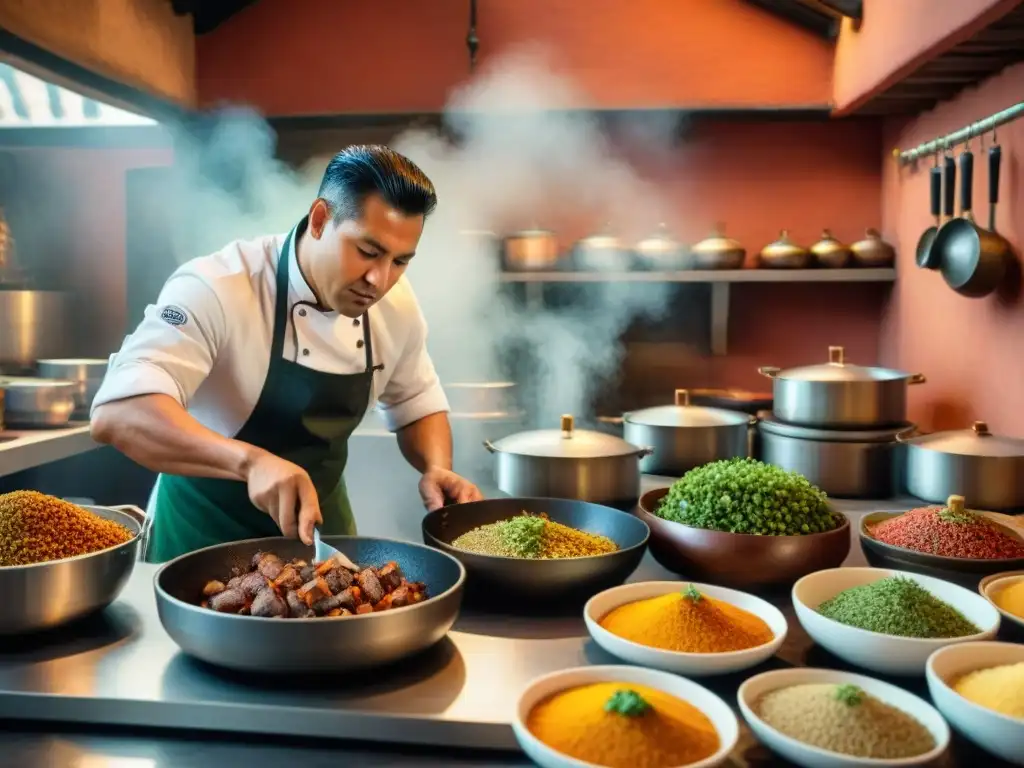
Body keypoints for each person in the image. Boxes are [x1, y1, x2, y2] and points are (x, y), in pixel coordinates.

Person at [91, 144, 483, 563]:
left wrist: (436, 466)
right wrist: (250, 463)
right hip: (197, 544)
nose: (379, 279)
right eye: (367, 252)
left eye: (400, 261)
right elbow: (118, 413)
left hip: (319, 548)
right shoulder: (218, 286)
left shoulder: (395, 304)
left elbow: (415, 400)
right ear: (319, 220)